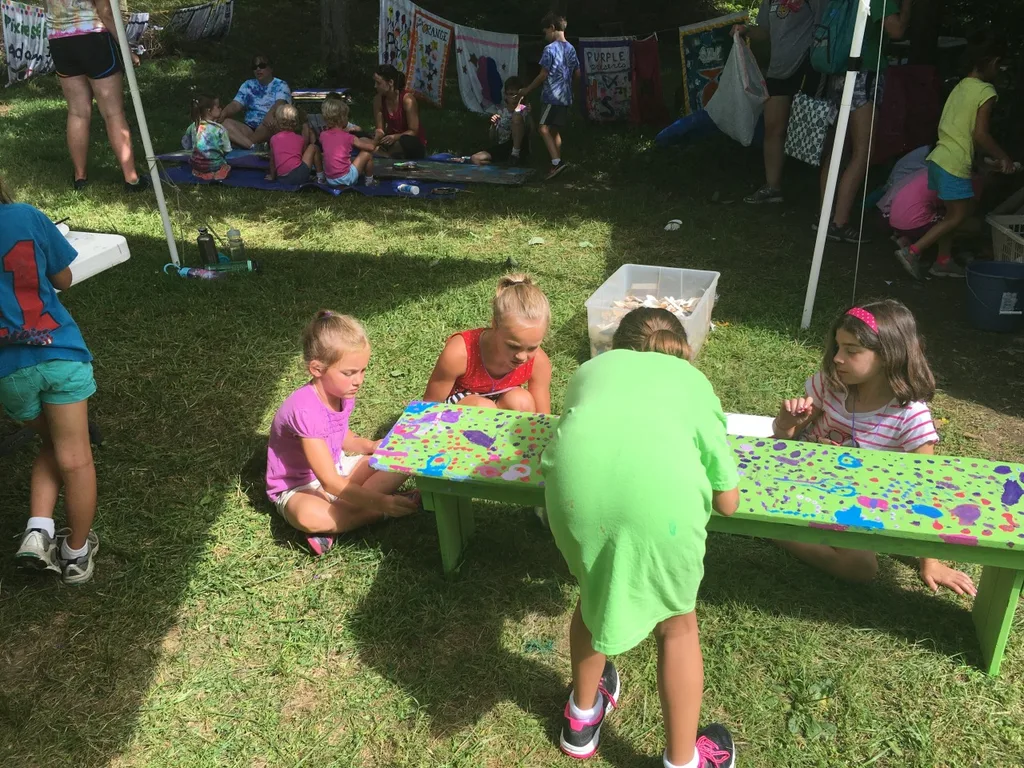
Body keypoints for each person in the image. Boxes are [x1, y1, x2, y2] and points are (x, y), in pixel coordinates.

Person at [541, 308, 739, 766]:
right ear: (681, 349)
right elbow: (727, 502)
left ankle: (581, 717)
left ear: (616, 345)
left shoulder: (589, 370)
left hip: (573, 503)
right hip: (660, 517)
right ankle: (682, 760)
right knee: (677, 625)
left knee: (593, 596)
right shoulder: (694, 384)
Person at [772, 300, 976, 596]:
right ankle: (773, 528)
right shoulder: (830, 385)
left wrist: (930, 562)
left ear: (887, 356)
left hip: (852, 502)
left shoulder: (910, 416)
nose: (838, 359)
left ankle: (774, 529)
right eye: (838, 347)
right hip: (801, 481)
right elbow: (784, 445)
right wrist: (786, 422)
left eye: (852, 351)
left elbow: (923, 487)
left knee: (860, 567)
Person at [0, 176, 100, 585]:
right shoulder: (26, 216)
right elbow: (64, 279)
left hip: (10, 371)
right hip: (61, 354)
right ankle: (75, 555)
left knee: (53, 444)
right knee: (75, 457)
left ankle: (37, 531)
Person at [266, 311, 418, 556]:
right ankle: (375, 514)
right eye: (349, 373)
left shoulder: (341, 393)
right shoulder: (305, 410)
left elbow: (339, 433)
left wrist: (369, 446)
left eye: (362, 371)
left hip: (337, 469)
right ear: (317, 369)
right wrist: (382, 504)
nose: (358, 380)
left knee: (402, 459)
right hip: (300, 487)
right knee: (309, 516)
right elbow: (329, 482)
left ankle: (336, 522)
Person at [896, 33, 1015, 279]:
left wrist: (982, 159)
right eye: (1000, 65)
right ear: (992, 62)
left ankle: (943, 260)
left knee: (950, 216)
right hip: (954, 163)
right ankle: (913, 251)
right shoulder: (986, 91)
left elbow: (962, 131)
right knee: (959, 216)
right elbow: (980, 134)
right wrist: (1003, 157)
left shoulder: (961, 86)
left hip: (939, 159)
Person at [816, 0, 911, 243]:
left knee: (838, 147)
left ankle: (825, 216)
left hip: (838, 70)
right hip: (864, 74)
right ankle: (839, 222)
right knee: (863, 150)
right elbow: (896, 30)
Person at [44, 0, 149, 192]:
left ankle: (80, 177)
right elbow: (105, 12)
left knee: (77, 112)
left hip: (59, 39)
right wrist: (127, 49)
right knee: (113, 113)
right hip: (93, 37)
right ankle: (131, 178)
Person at [735, 0, 823, 204]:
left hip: (807, 66)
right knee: (773, 127)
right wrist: (745, 30)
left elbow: (823, 26)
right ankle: (773, 187)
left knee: (813, 126)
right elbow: (764, 30)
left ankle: (821, 192)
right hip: (778, 69)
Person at [423, 274, 552, 414]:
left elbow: (543, 419)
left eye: (532, 347)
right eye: (513, 346)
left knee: (522, 401)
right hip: (460, 409)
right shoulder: (461, 353)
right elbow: (430, 408)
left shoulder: (538, 361)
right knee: (483, 409)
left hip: (502, 401)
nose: (522, 356)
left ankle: (508, 435)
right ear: (494, 325)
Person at [516, 13, 580, 180]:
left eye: (545, 32)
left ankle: (556, 163)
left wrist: (527, 90)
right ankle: (557, 166)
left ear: (552, 28)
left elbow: (543, 74)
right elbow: (578, 72)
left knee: (542, 128)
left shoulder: (549, 49)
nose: (545, 36)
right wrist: (570, 88)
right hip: (566, 97)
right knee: (554, 130)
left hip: (552, 96)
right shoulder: (571, 48)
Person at [220, 54, 292, 149]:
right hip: (249, 127)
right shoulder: (248, 85)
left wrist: (270, 114)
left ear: (271, 68)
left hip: (268, 126)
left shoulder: (281, 85)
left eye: (262, 66)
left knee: (270, 123)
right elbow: (236, 104)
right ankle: (252, 146)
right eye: (255, 67)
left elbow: (280, 103)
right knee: (224, 123)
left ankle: (242, 144)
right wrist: (223, 113)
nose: (258, 69)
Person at [467, 76, 531, 166]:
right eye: (511, 94)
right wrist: (493, 125)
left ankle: (515, 156)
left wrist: (528, 115)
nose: (514, 98)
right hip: (503, 147)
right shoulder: (501, 112)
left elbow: (531, 130)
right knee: (475, 158)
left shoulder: (524, 110)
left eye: (517, 94)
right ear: (506, 95)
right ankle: (502, 165)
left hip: (518, 147)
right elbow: (493, 138)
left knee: (516, 117)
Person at [372, 64, 427, 160]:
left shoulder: (407, 100)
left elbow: (413, 131)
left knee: (405, 141)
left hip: (409, 143)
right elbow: (380, 129)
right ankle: (382, 152)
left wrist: (395, 137)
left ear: (390, 82)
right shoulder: (378, 100)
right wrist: (375, 139)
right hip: (390, 142)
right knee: (360, 136)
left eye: (378, 83)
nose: (375, 86)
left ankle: (384, 154)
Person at [320, 99, 376, 188]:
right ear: (342, 118)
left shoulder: (323, 135)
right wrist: (376, 138)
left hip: (330, 180)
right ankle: (370, 182)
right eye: (346, 116)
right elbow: (371, 147)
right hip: (346, 179)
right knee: (366, 154)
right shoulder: (349, 137)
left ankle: (320, 178)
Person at [267, 104, 325, 186]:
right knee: (313, 147)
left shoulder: (273, 138)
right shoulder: (300, 139)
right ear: (295, 123)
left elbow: (272, 160)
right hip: (298, 176)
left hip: (282, 179)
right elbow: (303, 157)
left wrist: (272, 176)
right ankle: (321, 178)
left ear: (277, 122)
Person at [181, 95, 232, 182]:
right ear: (209, 111)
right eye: (218, 107)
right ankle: (216, 173)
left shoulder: (193, 126)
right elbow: (227, 150)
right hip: (215, 165)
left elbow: (186, 144)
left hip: (195, 164)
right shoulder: (220, 129)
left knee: (198, 163)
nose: (221, 109)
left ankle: (200, 172)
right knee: (226, 166)